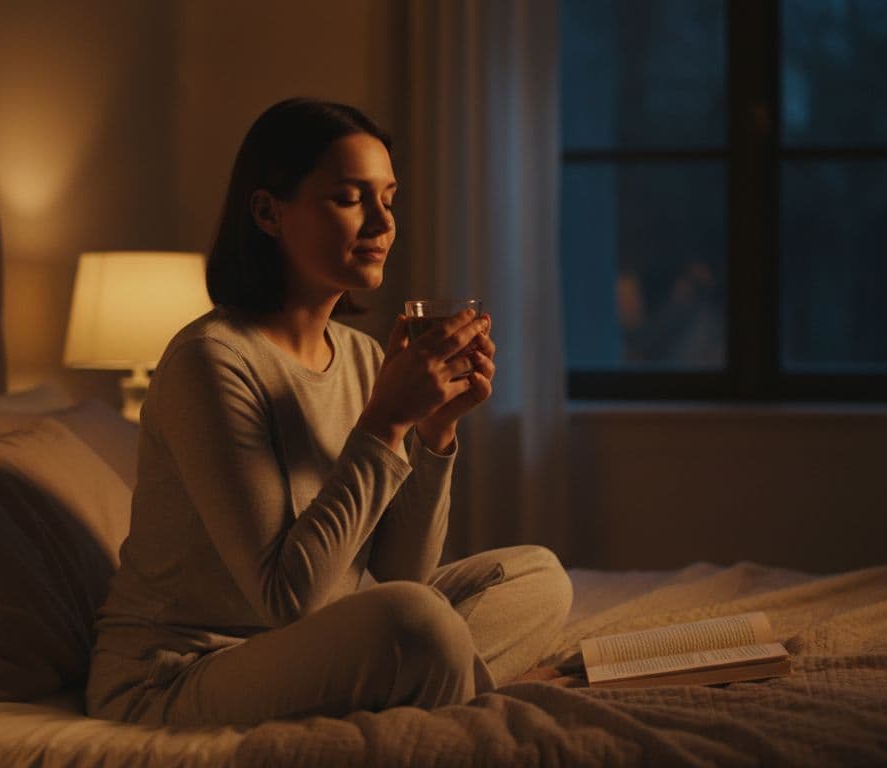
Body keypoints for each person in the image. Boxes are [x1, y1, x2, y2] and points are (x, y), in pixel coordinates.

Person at [85, 98, 573, 727]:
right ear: (269, 212)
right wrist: (385, 424)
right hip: (180, 672)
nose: (383, 223)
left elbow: (402, 572)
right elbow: (287, 598)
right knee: (416, 624)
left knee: (538, 576)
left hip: (307, 644)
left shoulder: (363, 356)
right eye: (349, 198)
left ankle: (438, 680)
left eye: (389, 199)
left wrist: (434, 429)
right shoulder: (211, 362)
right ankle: (452, 684)